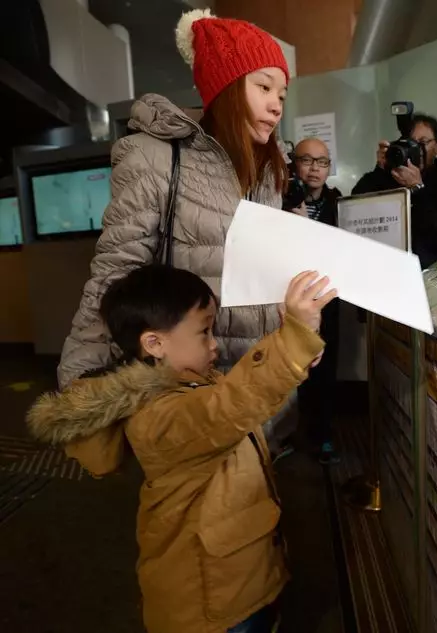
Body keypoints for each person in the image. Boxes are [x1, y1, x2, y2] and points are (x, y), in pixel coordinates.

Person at [27, 265, 337, 633]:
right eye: (204, 331)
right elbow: (232, 405)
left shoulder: (194, 384)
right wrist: (292, 344)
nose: (214, 344)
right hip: (212, 602)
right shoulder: (158, 417)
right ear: (154, 344)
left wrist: (296, 349)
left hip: (238, 575)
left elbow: (244, 395)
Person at [57, 9, 297, 456]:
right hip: (188, 392)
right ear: (226, 87)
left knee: (254, 492)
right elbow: (116, 272)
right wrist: (81, 388)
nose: (276, 104)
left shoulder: (267, 168)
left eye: (282, 93)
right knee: (194, 498)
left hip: (260, 384)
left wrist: (295, 333)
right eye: (263, 87)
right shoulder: (155, 157)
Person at [352, 113, 437, 269]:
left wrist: (417, 188)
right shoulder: (385, 177)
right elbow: (354, 212)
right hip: (385, 267)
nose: (416, 149)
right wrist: (380, 170)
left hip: (432, 271)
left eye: (422, 142)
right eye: (410, 143)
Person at [290, 138, 342, 464]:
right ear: (294, 163)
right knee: (292, 364)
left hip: (328, 300)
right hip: (290, 298)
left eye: (321, 162)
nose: (314, 169)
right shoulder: (281, 200)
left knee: (326, 368)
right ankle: (291, 431)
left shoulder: (339, 203)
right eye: (306, 160)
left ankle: (323, 435)